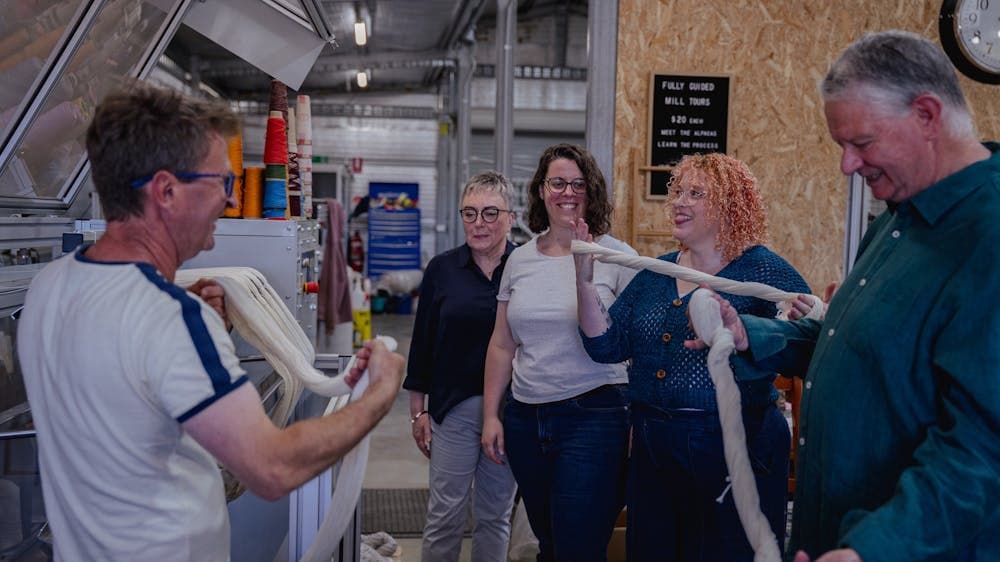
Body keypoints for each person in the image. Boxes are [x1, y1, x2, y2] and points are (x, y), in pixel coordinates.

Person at [16, 83, 404, 560]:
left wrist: (203, 334)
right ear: (166, 191)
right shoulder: (172, 320)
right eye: (221, 183)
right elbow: (272, 466)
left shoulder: (49, 287)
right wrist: (378, 396)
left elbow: (120, 402)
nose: (229, 199)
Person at [693, 30, 1000, 562]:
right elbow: (852, 341)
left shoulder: (987, 236)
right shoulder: (899, 218)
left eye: (862, 143)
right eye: (842, 147)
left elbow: (983, 448)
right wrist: (752, 336)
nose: (848, 166)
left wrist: (872, 549)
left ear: (927, 115)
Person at [575, 153, 810, 561]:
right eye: (678, 192)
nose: (679, 202)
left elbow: (800, 354)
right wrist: (583, 282)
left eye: (696, 193)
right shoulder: (656, 273)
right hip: (655, 448)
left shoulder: (767, 272)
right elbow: (605, 346)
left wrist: (800, 324)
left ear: (729, 205)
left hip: (738, 445)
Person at [481, 143, 637, 561]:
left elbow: (641, 344)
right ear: (541, 191)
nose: (567, 192)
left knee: (578, 546)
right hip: (527, 419)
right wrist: (492, 416)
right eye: (557, 183)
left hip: (595, 416)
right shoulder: (521, 261)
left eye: (578, 183)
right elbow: (501, 343)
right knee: (549, 542)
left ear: (592, 191)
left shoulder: (618, 257)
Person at [404, 170, 519, 562]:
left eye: (490, 213)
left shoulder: (526, 267)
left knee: (495, 515)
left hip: (508, 410)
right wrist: (418, 411)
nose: (478, 224)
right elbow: (421, 344)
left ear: (511, 218)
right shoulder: (442, 270)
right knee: (445, 514)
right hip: (452, 408)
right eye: (469, 214)